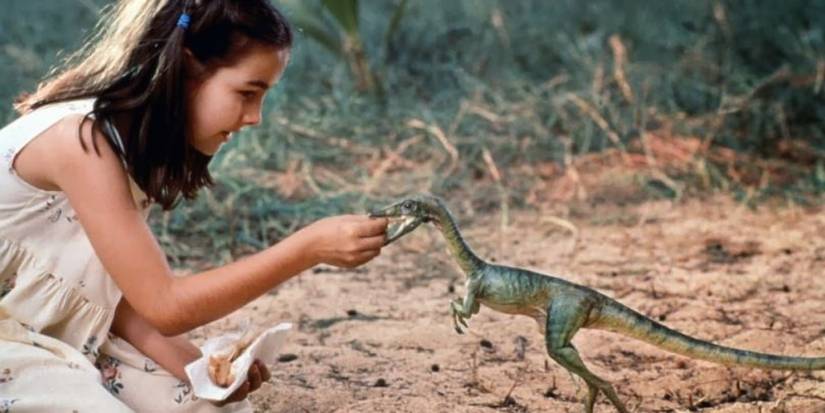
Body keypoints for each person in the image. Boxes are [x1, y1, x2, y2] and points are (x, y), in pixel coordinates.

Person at [0, 0, 388, 411]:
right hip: (11, 334)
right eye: (247, 92)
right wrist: (307, 249)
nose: (255, 117)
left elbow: (114, 297)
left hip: (39, 327)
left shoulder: (127, 144)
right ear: (186, 69)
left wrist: (195, 367)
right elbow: (166, 305)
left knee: (208, 403)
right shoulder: (79, 141)